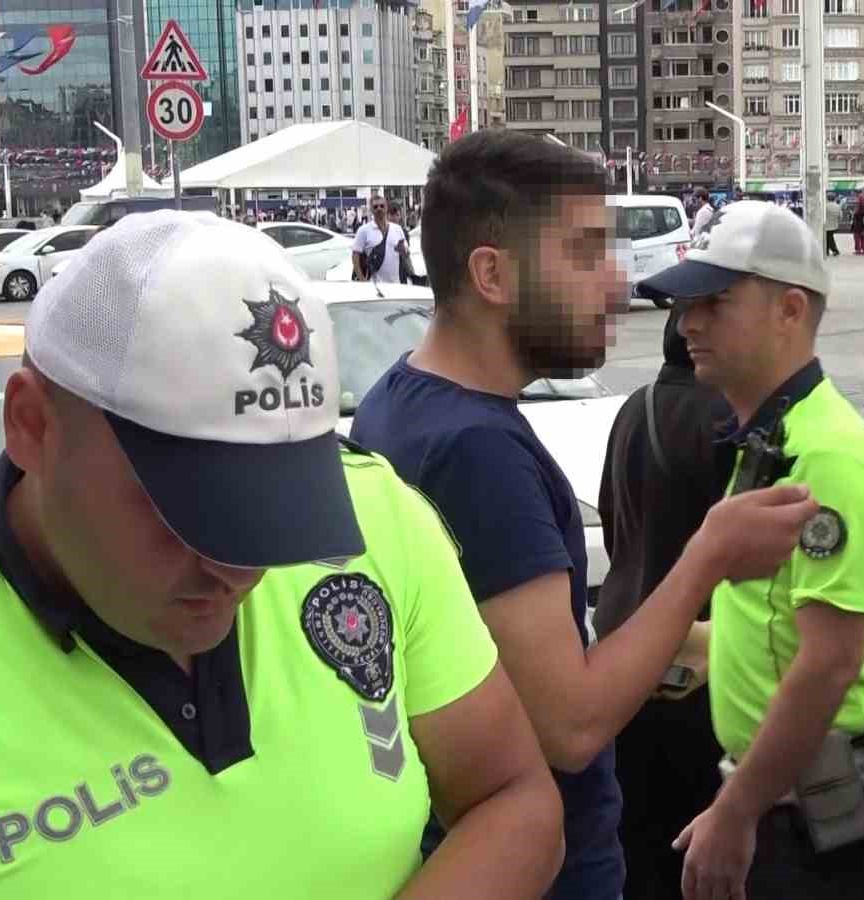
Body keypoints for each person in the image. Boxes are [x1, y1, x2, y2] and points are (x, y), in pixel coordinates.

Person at [0, 211, 565, 898]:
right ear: (32, 426)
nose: (240, 570)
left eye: (282, 506)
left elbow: (513, 797)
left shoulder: (378, 515)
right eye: (191, 510)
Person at [350, 130, 820, 900]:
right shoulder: (478, 451)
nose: (616, 282)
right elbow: (566, 727)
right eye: (585, 253)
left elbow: (507, 670)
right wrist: (709, 556)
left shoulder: (397, 401)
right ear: (492, 274)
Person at [640, 200, 864, 900]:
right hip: (799, 809)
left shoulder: (826, 456)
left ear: (790, 310)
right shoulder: (775, 438)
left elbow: (831, 661)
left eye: (716, 301)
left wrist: (736, 811)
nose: (688, 321)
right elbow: (777, 623)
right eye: (686, 302)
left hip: (830, 831)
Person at [597, 308, 736, 899]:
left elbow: (610, 519)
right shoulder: (729, 420)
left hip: (624, 651)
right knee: (693, 847)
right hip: (698, 670)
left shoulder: (634, 407)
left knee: (637, 844)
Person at [351, 194, 408, 284]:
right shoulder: (364, 230)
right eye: (375, 207)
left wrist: (402, 250)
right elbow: (355, 256)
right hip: (374, 287)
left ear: (386, 208)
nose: (379, 209)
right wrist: (362, 280)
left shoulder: (397, 229)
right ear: (371, 210)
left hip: (396, 284)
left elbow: (405, 254)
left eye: (382, 206)